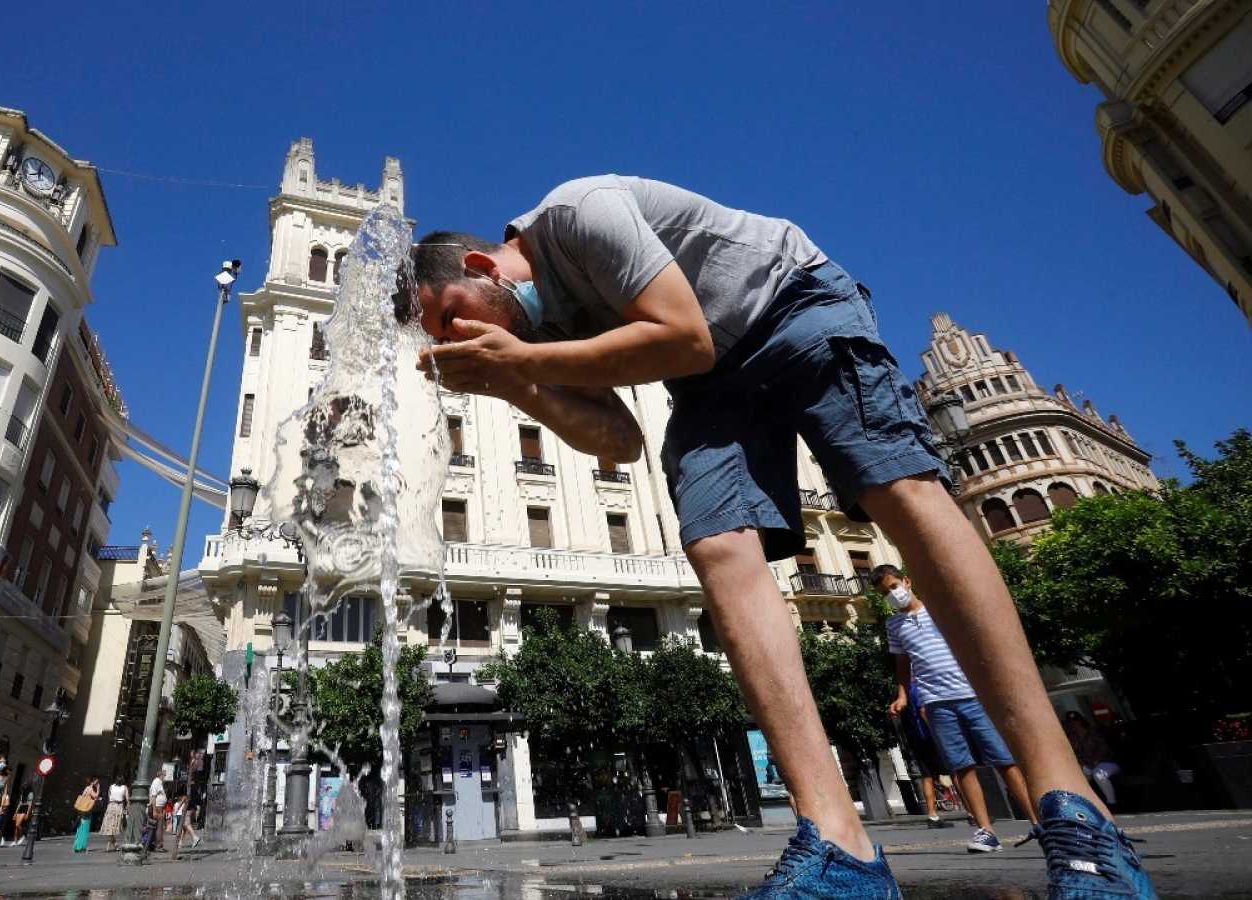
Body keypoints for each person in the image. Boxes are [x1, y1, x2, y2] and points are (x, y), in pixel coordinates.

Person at [409, 179, 1157, 899]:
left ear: (481, 268)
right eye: (445, 338)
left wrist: (522, 362)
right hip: (708, 379)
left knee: (896, 486)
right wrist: (516, 384)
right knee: (714, 541)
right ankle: (840, 842)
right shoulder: (544, 329)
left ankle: (1074, 807)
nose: (459, 339)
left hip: (792, 302)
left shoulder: (578, 211)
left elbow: (683, 333)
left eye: (452, 316)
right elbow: (618, 438)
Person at [880, 565, 1037, 853]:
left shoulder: (939, 611)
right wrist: (903, 695)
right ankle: (986, 831)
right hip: (935, 701)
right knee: (961, 766)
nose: (892, 595)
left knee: (1003, 760)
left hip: (971, 694)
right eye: (885, 593)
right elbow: (902, 666)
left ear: (907, 580)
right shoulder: (894, 626)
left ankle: (1039, 823)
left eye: (893, 587)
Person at [892, 680, 954, 829]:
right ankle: (972, 812)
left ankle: (932, 815)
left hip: (915, 739)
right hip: (928, 737)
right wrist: (936, 732)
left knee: (927, 776)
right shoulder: (915, 688)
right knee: (955, 771)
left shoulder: (900, 694)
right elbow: (923, 711)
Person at [1064, 711, 1122, 807]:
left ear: (1080, 721)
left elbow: (1104, 748)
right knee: (1077, 777)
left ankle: (1112, 803)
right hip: (1087, 766)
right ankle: (1086, 806)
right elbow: (1074, 754)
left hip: (1106, 762)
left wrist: (1095, 761)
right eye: (1071, 722)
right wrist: (1081, 763)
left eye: (1075, 721)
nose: (1074, 724)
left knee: (1098, 774)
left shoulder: (1093, 732)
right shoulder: (1072, 738)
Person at [71, 778, 99, 853]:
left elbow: (83, 796)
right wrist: (98, 789)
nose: (97, 784)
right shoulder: (90, 789)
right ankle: (81, 847)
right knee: (85, 828)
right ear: (92, 782)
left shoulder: (86, 788)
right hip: (86, 810)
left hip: (82, 810)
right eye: (96, 782)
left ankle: (77, 846)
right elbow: (95, 796)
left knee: (80, 828)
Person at [100, 778, 127, 851]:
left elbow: (127, 799)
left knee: (113, 827)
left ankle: (111, 844)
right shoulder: (112, 786)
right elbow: (109, 796)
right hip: (112, 806)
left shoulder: (124, 787)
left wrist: (126, 809)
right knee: (109, 826)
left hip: (117, 806)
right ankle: (114, 844)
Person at [172, 788, 200, 852]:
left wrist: (179, 806)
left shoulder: (186, 790)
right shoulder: (190, 789)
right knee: (184, 827)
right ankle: (180, 842)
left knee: (186, 824)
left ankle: (195, 837)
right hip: (192, 807)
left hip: (189, 808)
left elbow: (184, 798)